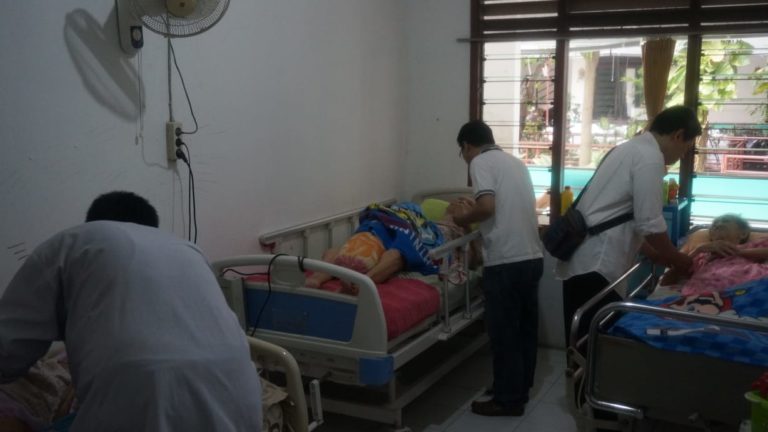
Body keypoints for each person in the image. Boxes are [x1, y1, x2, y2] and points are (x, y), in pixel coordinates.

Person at [0, 191, 262, 431]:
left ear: (93, 222)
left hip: (141, 399)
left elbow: (8, 348)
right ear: (151, 227)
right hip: (242, 398)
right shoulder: (188, 249)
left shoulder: (71, 242)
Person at [556, 105, 700, 348]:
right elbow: (650, 223)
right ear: (678, 135)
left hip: (585, 260)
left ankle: (580, 374)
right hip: (597, 265)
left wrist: (653, 253)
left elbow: (619, 214)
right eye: (686, 148)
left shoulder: (627, 149)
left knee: (582, 345)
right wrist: (677, 259)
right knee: (593, 348)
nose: (683, 156)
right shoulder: (650, 158)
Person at [451, 120, 544, 417]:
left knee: (504, 333)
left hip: (506, 261)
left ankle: (507, 400)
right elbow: (501, 206)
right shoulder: (516, 163)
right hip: (532, 257)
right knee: (524, 330)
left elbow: (487, 207)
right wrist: (474, 207)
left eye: (462, 152)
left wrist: (462, 218)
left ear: (467, 145)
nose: (465, 158)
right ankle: (519, 387)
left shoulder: (480, 162)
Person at [306, 200, 478, 293]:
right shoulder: (424, 219)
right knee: (353, 245)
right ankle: (316, 278)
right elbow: (411, 220)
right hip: (407, 227)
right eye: (458, 199)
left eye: (467, 203)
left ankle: (361, 284)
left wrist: (467, 225)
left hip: (425, 241)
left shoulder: (463, 234)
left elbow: (474, 261)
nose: (460, 201)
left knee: (398, 253)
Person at [660, 213, 768, 295]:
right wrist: (698, 249)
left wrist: (738, 252)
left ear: (743, 233)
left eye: (725, 221)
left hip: (747, 290)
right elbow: (667, 280)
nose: (718, 224)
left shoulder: (751, 247)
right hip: (705, 297)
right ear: (711, 236)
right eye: (714, 225)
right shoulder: (702, 255)